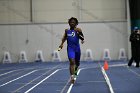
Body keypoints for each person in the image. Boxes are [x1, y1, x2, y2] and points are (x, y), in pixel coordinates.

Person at [58, 17, 85, 83]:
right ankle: (72, 77)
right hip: (70, 48)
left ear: (76, 23)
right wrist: (61, 44)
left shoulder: (78, 29)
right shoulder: (67, 31)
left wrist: (81, 38)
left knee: (77, 63)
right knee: (72, 62)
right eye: (71, 22)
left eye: (73, 22)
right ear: (69, 23)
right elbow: (64, 38)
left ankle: (75, 73)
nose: (72, 23)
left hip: (77, 48)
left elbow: (82, 37)